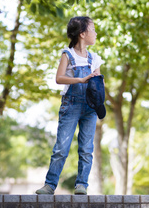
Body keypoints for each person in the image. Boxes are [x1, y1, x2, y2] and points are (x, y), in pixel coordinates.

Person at [36, 16, 103, 195]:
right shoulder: (68, 54)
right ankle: (50, 185)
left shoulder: (94, 58)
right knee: (61, 147)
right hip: (71, 105)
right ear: (82, 34)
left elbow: (97, 85)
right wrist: (80, 79)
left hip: (90, 108)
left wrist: (99, 100)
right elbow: (59, 78)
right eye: (93, 29)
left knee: (86, 149)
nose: (96, 33)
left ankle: (82, 185)